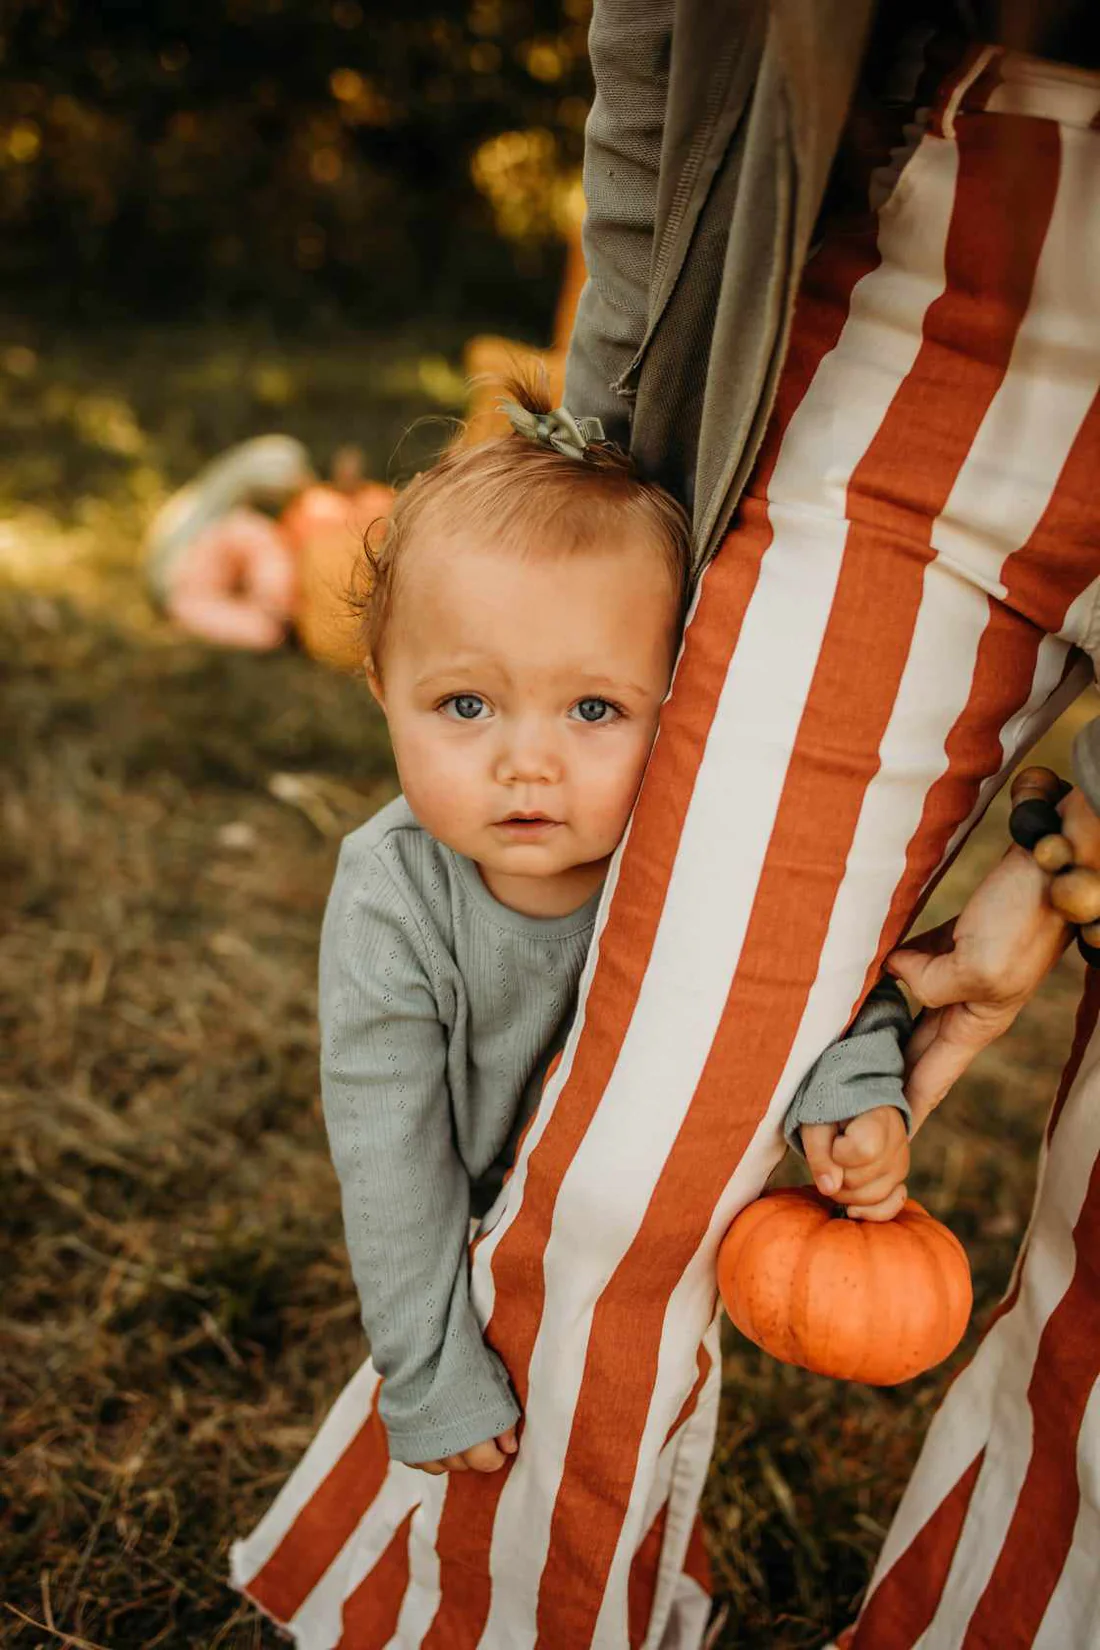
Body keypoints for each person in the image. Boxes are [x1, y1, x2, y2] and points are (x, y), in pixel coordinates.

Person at [235, 5, 1100, 1647]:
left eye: (574, 712)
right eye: (469, 708)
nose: (532, 759)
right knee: (648, 1117)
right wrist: (610, 467)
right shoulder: (401, 887)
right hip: (929, 311)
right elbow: (662, 60)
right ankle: (485, 1614)